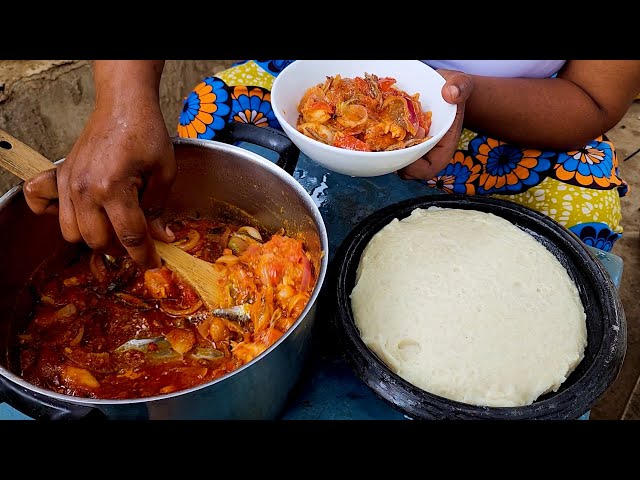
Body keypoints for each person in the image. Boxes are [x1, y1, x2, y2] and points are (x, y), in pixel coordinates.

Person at [22, 60, 640, 269]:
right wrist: (124, 103)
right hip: (302, 86)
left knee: (568, 244)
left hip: (513, 127)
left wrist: (467, 97)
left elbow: (591, 98)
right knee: (201, 133)